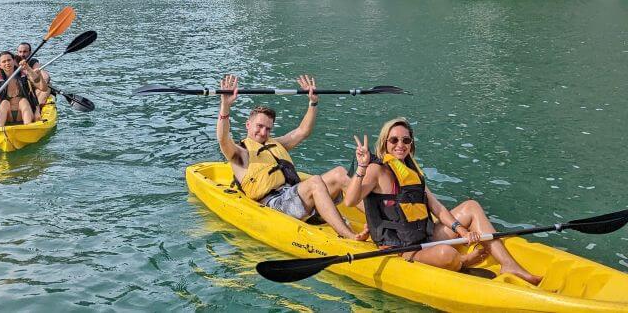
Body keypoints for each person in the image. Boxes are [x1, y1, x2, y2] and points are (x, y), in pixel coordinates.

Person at [344, 117, 542, 284]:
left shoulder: (410, 170)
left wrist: (462, 231)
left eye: (406, 140)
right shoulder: (376, 170)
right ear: (384, 143)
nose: (400, 145)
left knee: (471, 206)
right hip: (401, 248)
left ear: (411, 144)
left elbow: (437, 208)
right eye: (394, 140)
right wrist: (361, 167)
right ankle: (463, 261)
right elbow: (350, 201)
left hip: (424, 236)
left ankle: (509, 265)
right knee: (448, 255)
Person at [217, 74, 364, 241]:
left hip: (294, 197)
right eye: (259, 126)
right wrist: (225, 107)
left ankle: (383, 219)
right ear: (248, 124)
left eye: (268, 128)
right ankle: (349, 235)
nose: (263, 132)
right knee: (315, 182)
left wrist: (313, 102)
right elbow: (222, 138)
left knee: (339, 173)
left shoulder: (275, 144)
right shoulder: (239, 153)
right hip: (275, 205)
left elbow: (302, 132)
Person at [0, 51, 47, 127]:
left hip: (24, 114)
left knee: (24, 101)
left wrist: (28, 68)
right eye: (4, 62)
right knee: (4, 103)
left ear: (13, 61)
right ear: (0, 65)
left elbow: (43, 88)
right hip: (7, 116)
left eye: (9, 60)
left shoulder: (25, 76)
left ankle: (27, 128)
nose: (7, 63)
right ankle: (0, 130)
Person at [0, 42, 51, 113]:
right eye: (20, 52)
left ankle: (38, 108)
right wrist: (5, 67)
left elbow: (45, 77)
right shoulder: (13, 60)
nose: (22, 54)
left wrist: (28, 72)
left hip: (34, 84)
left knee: (46, 88)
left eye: (25, 52)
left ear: (30, 52)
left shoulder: (33, 62)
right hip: (20, 88)